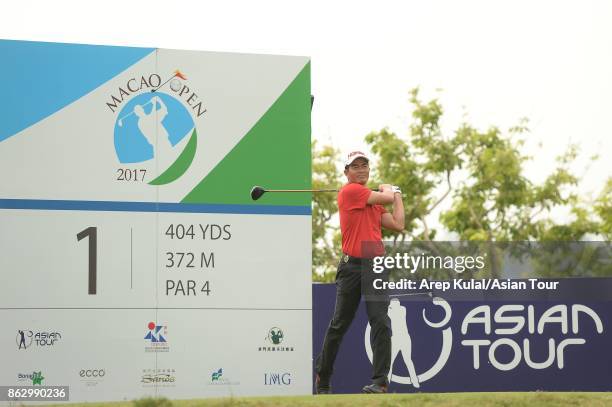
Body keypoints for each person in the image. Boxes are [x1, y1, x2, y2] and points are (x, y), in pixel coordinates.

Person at [315, 150, 405, 394]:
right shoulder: (350, 192)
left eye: (364, 165)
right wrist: (391, 190)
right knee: (339, 324)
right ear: (346, 172)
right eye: (355, 166)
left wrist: (397, 196)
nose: (361, 169)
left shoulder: (371, 201)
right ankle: (323, 377)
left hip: (375, 265)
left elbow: (398, 224)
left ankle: (380, 381)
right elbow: (385, 197)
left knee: (381, 322)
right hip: (351, 266)